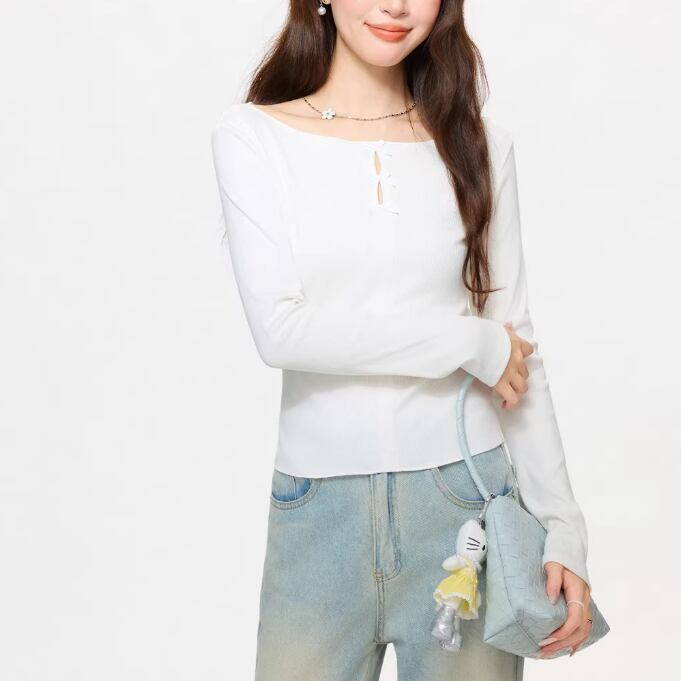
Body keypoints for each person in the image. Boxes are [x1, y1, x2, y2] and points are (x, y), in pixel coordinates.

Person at [210, 1, 594, 679]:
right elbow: (282, 331)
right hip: (317, 514)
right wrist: (466, 342)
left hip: (466, 506)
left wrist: (563, 527)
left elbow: (517, 354)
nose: (395, 5)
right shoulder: (254, 136)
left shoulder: (480, 144)